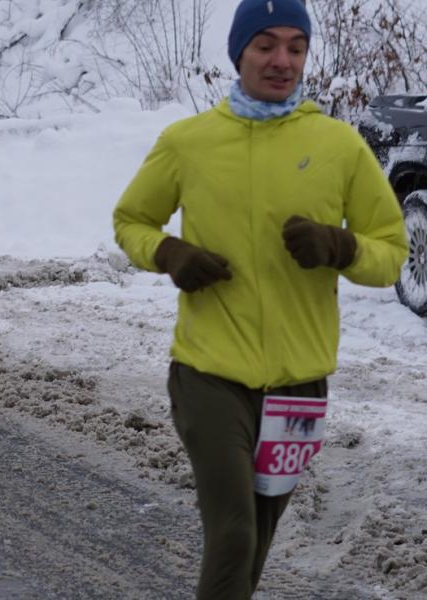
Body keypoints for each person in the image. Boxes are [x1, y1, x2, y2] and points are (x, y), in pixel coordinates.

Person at [112, 1, 408, 597]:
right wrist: (171, 255)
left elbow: (392, 253)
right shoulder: (189, 142)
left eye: (296, 47)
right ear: (239, 52)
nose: (282, 61)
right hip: (209, 374)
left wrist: (341, 246)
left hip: (299, 389)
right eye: (266, 45)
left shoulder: (339, 145)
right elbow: (131, 221)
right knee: (234, 533)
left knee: (257, 541)